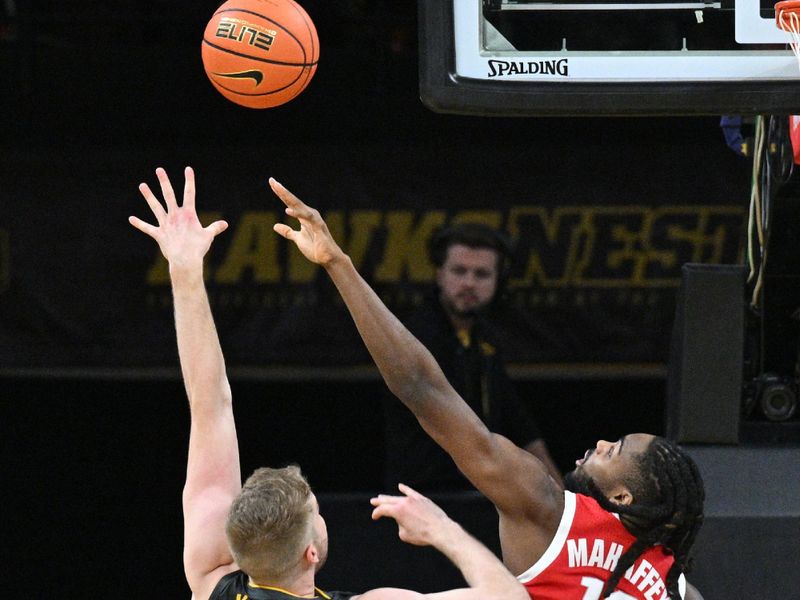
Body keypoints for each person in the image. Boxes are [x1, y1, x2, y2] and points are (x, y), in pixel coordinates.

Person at [270, 178, 706, 600]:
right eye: (459, 270)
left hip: (451, 504)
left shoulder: (547, 508)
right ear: (439, 273)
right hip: (430, 489)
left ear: (623, 498)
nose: (601, 440)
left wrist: (337, 263)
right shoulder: (679, 589)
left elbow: (422, 388)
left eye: (616, 449)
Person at [128, 167, 529, 600]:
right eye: (316, 511)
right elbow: (511, 596)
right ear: (311, 554)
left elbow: (209, 404)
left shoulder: (210, 583)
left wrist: (183, 270)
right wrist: (443, 530)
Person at [382, 222, 561, 491]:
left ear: (498, 280)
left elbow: (518, 421)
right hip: (424, 494)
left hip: (479, 492)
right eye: (459, 271)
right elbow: (453, 427)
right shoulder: (415, 338)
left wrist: (563, 496)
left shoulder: (484, 337)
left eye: (481, 274)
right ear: (439, 274)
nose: (469, 283)